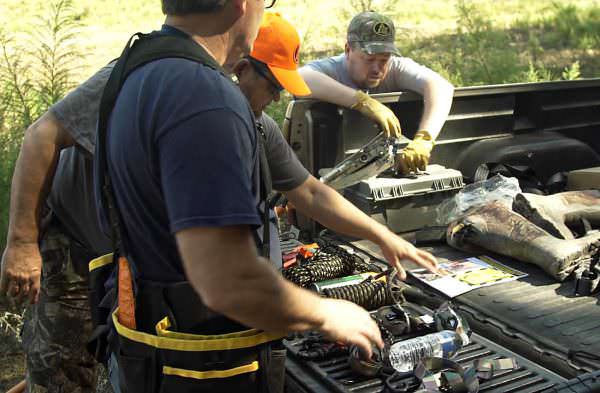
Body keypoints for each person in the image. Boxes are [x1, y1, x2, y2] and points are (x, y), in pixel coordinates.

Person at [0, 5, 437, 392]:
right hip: (79, 239)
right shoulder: (203, 102)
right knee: (60, 367)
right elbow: (224, 280)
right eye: (272, 86)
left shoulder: (172, 76)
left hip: (129, 260)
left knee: (106, 353)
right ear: (242, 66)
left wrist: (381, 235)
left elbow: (307, 190)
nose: (275, 98)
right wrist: (324, 313)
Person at [299, 11, 455, 174]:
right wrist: (362, 102)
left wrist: (424, 139)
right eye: (369, 59)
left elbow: (441, 87)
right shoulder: (332, 69)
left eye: (383, 60)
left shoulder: (396, 68)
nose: (377, 68)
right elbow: (300, 78)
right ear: (348, 50)